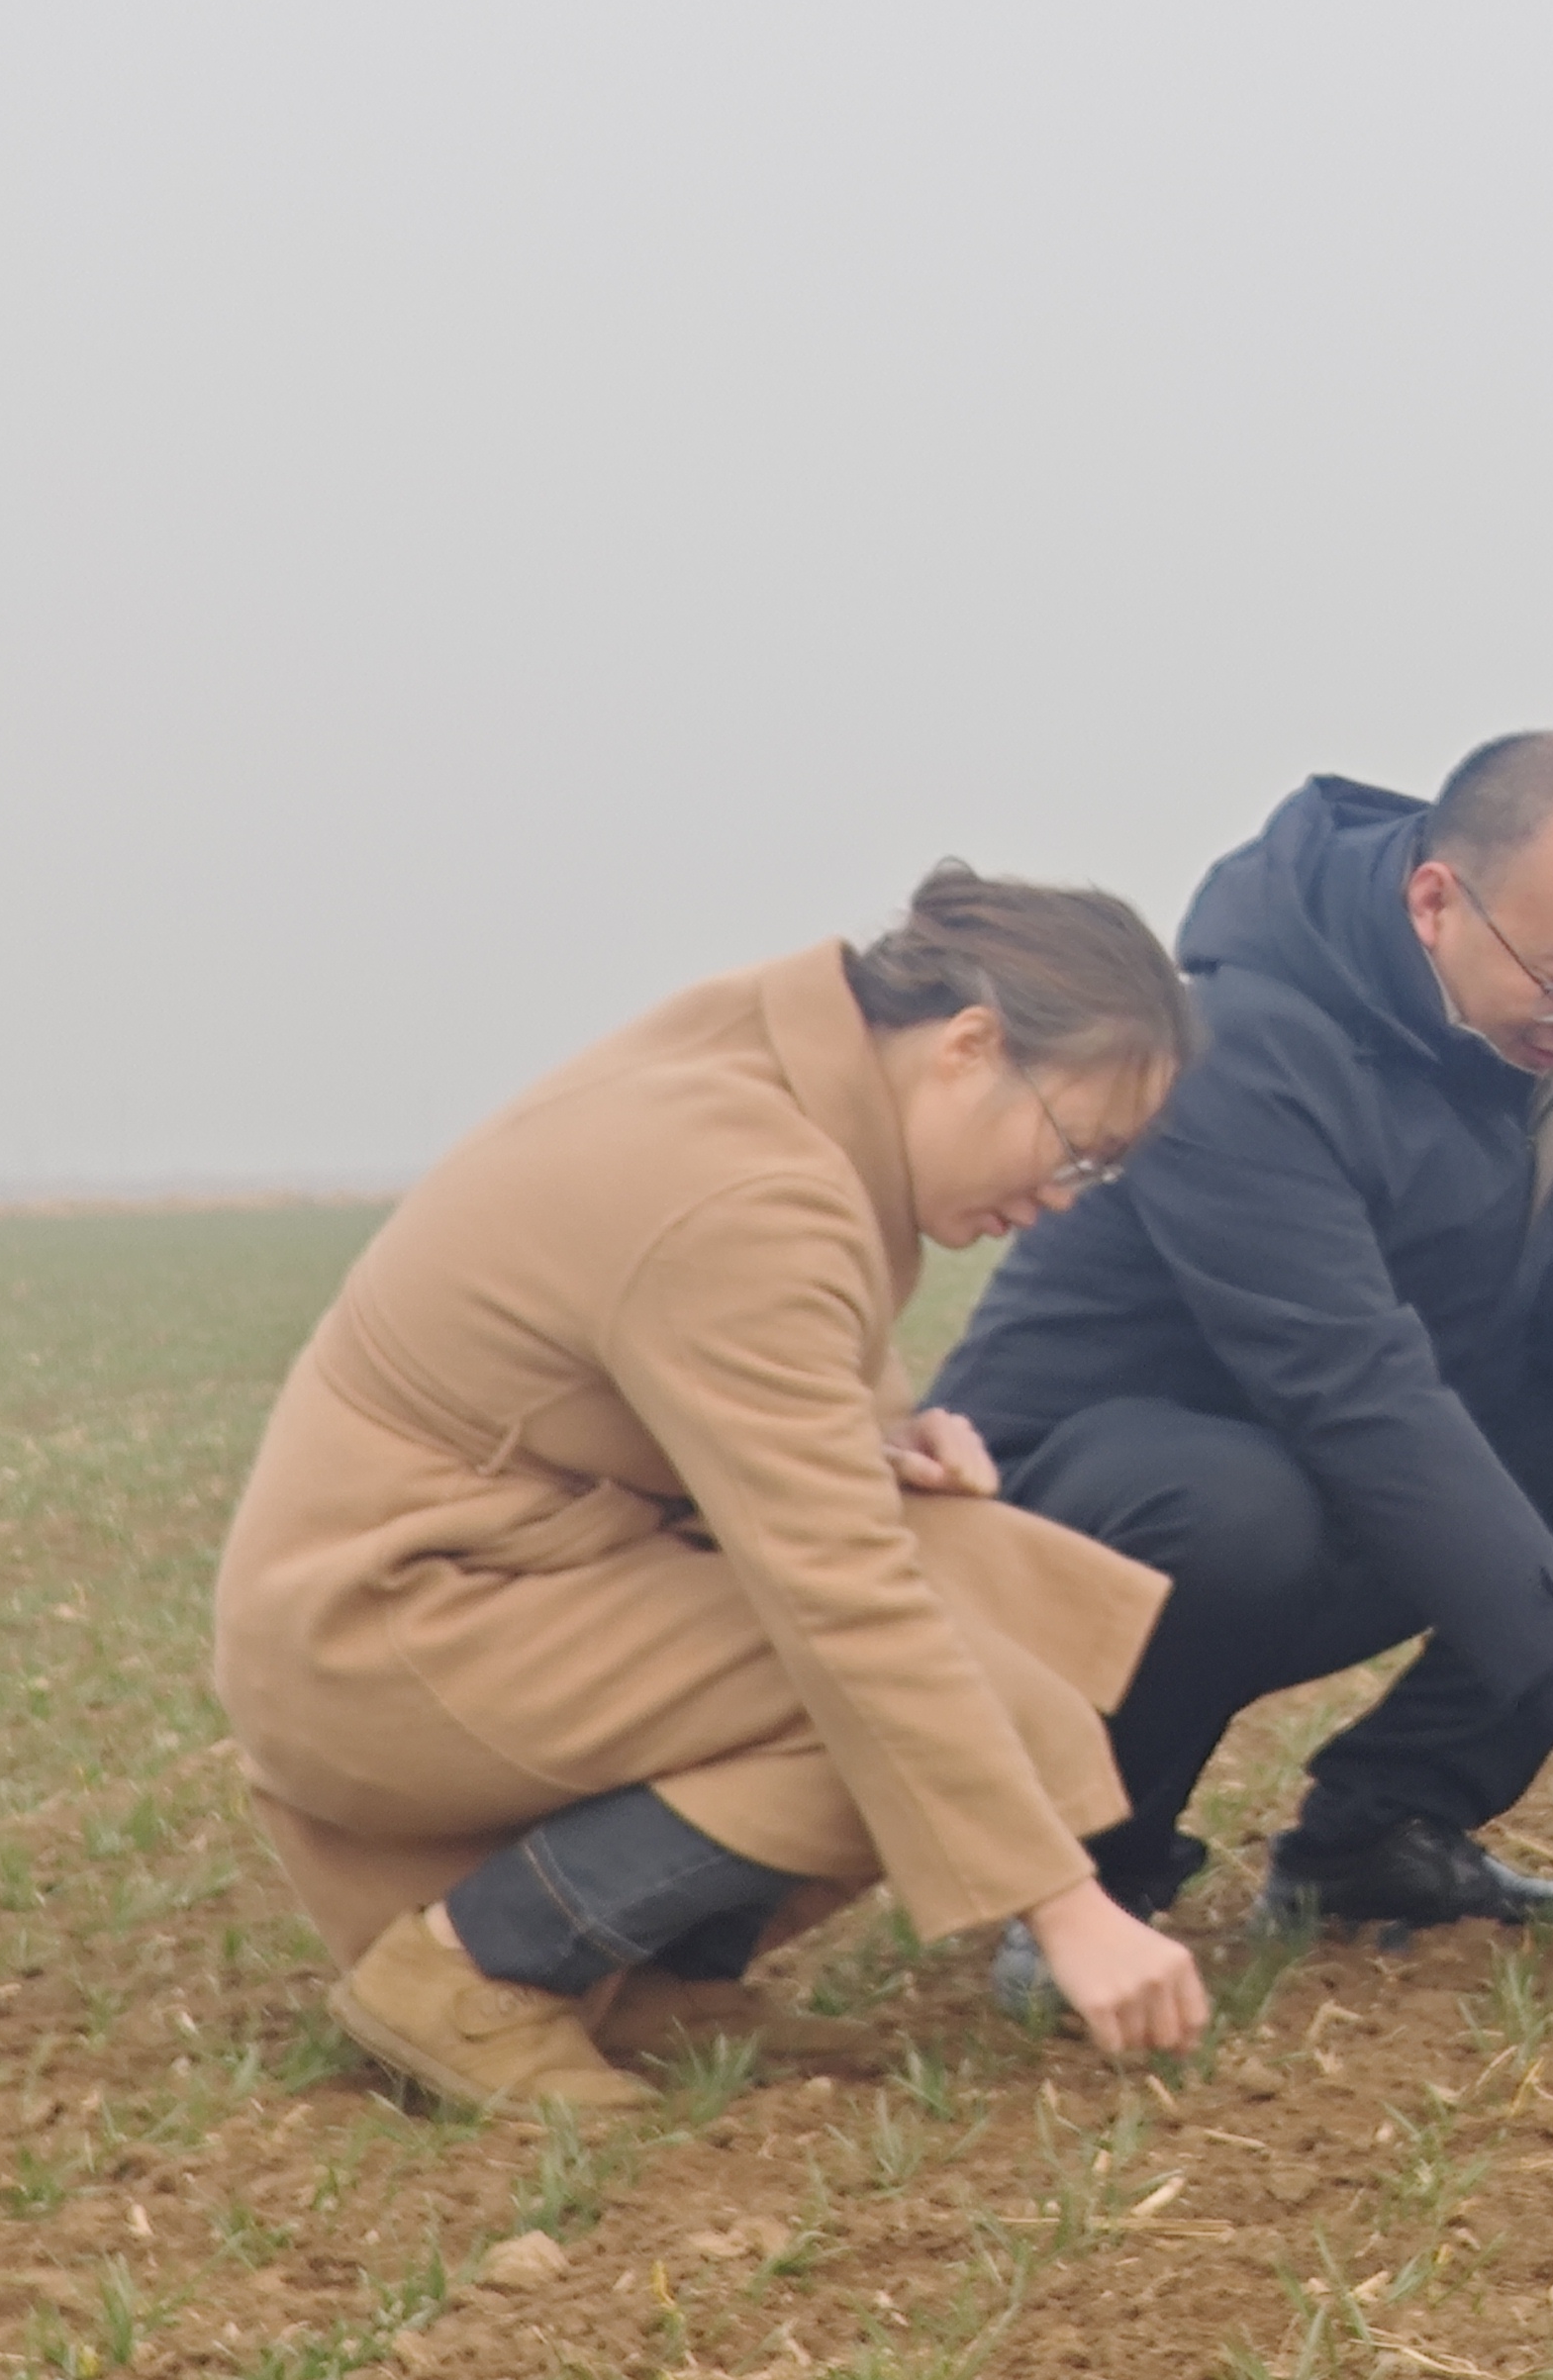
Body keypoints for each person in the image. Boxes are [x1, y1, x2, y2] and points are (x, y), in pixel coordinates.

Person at [216, 866, 1213, 2115]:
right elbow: (842, 1602)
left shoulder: (773, 1070)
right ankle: (483, 1967)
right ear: (969, 1047)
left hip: (510, 1574)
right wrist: (1068, 1908)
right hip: (392, 1629)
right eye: (1074, 1147)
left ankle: (648, 1980)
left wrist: (883, 1434)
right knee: (910, 1689)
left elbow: (727, 1350)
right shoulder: (745, 1187)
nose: (1062, 1197)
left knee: (1008, 1589)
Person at [928, 731, 1553, 1986]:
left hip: (1315, 1485)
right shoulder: (1234, 1047)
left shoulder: (1523, 1036)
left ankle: (1376, 1838)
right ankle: (1086, 1875)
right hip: (1071, 1519)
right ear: (1433, 902)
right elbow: (1358, 1395)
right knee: (1235, 1504)